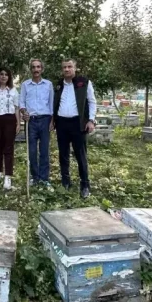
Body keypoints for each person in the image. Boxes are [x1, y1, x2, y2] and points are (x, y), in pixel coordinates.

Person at [53, 58, 97, 199]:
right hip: (61, 124)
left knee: (80, 155)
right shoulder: (59, 85)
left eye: (69, 66)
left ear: (75, 68)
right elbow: (55, 103)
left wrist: (91, 120)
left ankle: (85, 185)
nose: (66, 69)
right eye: (64, 67)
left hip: (78, 124)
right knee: (63, 155)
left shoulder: (83, 83)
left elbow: (92, 101)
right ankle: (66, 182)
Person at [19, 59, 54, 189]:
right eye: (33, 67)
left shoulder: (48, 85)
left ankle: (44, 179)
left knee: (44, 151)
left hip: (45, 120)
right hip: (31, 121)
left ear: (42, 69)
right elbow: (21, 102)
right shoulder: (25, 85)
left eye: (38, 67)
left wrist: (52, 121)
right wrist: (24, 112)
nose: (36, 69)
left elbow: (51, 104)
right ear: (31, 69)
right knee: (32, 151)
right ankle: (34, 177)